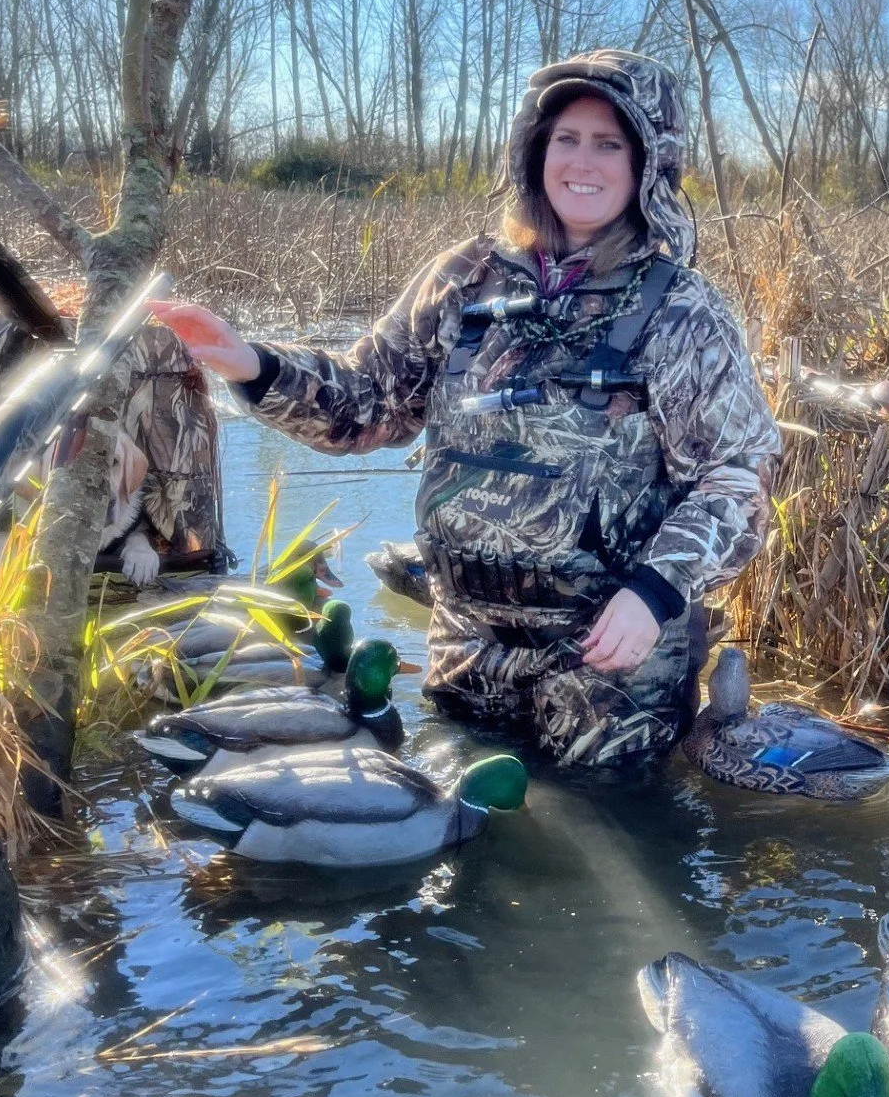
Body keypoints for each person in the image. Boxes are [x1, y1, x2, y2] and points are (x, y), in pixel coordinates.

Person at [151, 51, 781, 767]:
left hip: (609, 663)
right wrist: (250, 363)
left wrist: (655, 592)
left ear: (648, 165)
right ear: (534, 148)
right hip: (466, 645)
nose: (583, 161)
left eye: (610, 144)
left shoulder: (683, 309)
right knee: (457, 841)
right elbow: (366, 402)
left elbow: (739, 477)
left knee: (612, 848)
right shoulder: (466, 276)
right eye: (566, 138)